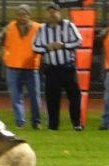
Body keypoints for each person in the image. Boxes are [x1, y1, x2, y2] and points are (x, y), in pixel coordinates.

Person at [33, 2, 83, 131]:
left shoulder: (69, 25)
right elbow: (34, 46)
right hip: (51, 69)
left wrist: (63, 45)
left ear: (60, 13)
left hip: (67, 68)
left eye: (55, 11)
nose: (52, 14)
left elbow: (79, 41)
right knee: (52, 98)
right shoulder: (42, 29)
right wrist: (46, 47)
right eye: (50, 12)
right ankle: (53, 125)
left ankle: (76, 123)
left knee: (75, 96)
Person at [0, 3, 41, 129]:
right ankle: (20, 122)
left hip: (31, 67)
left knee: (35, 96)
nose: (22, 16)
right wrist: (3, 55)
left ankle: (36, 122)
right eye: (19, 14)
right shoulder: (10, 27)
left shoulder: (38, 27)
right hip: (12, 66)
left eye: (24, 14)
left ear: (29, 15)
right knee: (16, 96)